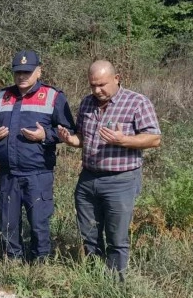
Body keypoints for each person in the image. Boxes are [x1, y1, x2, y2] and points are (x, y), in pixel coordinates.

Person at [57, 60, 161, 280]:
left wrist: (124, 140)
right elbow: (83, 139)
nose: (97, 90)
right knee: (89, 232)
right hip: (88, 178)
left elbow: (154, 138)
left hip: (120, 180)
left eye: (102, 84)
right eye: (93, 85)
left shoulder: (137, 102)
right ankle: (95, 274)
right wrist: (69, 139)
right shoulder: (87, 103)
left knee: (116, 236)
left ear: (117, 78)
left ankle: (114, 282)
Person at [0, 50, 75, 262]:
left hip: (38, 174)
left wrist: (46, 135)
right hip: (8, 174)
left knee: (39, 223)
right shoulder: (1, 96)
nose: (22, 76)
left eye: (27, 72)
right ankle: (12, 263)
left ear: (38, 71)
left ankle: (40, 264)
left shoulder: (54, 97)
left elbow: (69, 131)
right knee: (8, 223)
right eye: (17, 72)